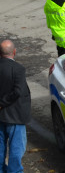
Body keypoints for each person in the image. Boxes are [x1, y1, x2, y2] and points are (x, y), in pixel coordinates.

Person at [0, 40, 31, 173]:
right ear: (14, 52)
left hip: (1, 117)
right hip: (15, 116)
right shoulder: (18, 69)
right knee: (16, 150)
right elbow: (18, 91)